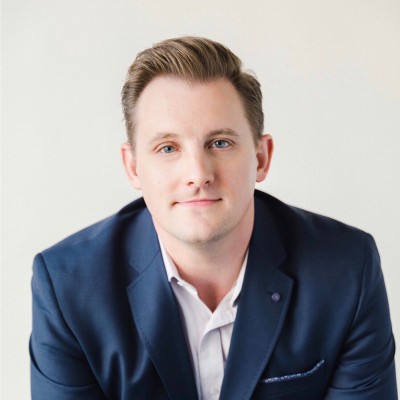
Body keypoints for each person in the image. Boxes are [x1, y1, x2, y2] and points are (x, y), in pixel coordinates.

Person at [30, 36, 397, 400]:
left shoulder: (347, 269)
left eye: (220, 143)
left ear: (261, 158)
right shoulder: (68, 287)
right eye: (168, 148)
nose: (198, 174)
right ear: (133, 167)